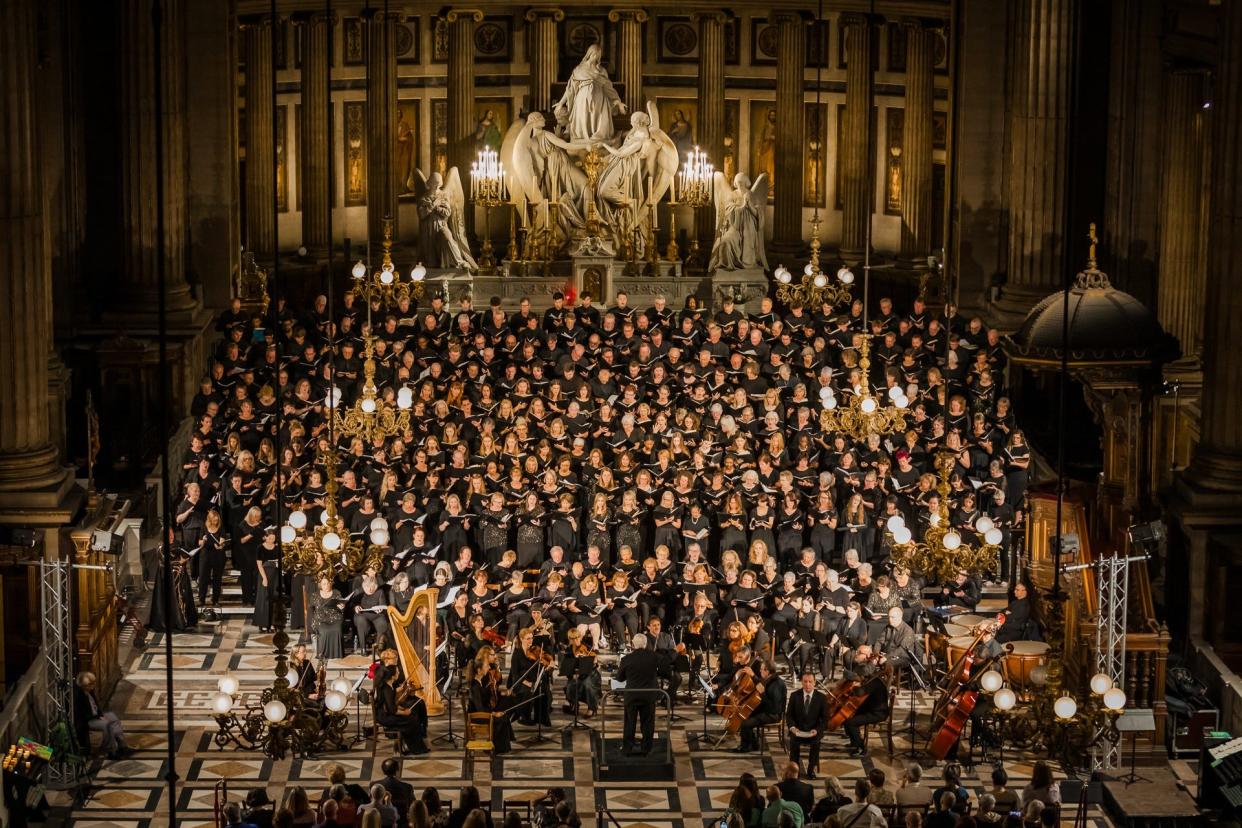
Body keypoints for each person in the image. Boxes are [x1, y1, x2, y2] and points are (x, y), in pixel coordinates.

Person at [615, 632, 659, 755]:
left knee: (630, 722)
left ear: (633, 644)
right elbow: (664, 670)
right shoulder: (654, 656)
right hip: (649, 694)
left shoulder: (626, 659)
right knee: (648, 722)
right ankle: (646, 748)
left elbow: (619, 678)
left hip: (632, 695)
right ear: (645, 644)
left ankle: (627, 748)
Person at [73, 671, 135, 759]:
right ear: (85, 686)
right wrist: (98, 717)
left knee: (113, 717)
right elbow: (82, 715)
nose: (93, 686)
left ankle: (122, 746)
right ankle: (111, 750)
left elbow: (96, 706)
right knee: (107, 724)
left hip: (96, 716)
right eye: (91, 684)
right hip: (88, 721)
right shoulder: (79, 697)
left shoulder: (90, 691)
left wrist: (100, 715)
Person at [735, 660, 786, 753]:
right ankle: (754, 744)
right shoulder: (769, 679)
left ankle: (746, 747)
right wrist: (753, 676)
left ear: (767, 671)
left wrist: (762, 694)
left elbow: (773, 707)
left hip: (773, 715)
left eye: (761, 670)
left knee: (745, 723)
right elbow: (761, 683)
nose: (760, 671)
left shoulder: (777, 684)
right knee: (745, 716)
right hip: (766, 710)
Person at [784, 672, 826, 778]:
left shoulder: (822, 698)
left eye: (810, 682)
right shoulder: (794, 696)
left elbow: (825, 719)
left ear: (814, 683)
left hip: (813, 732)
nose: (807, 684)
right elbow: (789, 715)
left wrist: (817, 730)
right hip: (798, 730)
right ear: (801, 682)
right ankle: (794, 771)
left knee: (816, 743)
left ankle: (811, 770)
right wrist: (792, 728)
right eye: (805, 682)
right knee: (793, 743)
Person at [377, 758, 415, 828]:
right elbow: (412, 805)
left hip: (380, 823)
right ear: (397, 770)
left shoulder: (375, 786)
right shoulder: (407, 787)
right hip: (402, 823)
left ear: (383, 771)